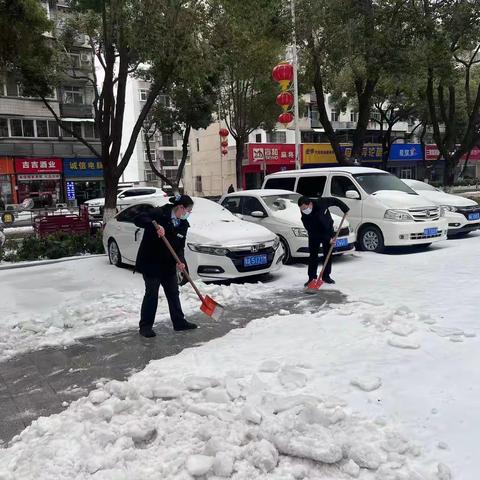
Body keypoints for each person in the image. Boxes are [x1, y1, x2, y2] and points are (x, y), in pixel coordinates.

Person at [134, 194, 197, 337]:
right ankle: (145, 327)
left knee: (173, 293)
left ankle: (179, 322)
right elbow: (138, 218)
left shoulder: (183, 224)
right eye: (188, 210)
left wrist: (181, 262)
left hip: (168, 264)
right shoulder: (159, 213)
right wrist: (154, 226)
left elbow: (179, 247)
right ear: (181, 207)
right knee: (152, 293)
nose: (188, 214)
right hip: (151, 262)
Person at [298, 195, 350, 287]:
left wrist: (345, 208)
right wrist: (327, 239)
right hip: (314, 233)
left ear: (310, 204)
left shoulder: (321, 202)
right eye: (302, 209)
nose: (304, 211)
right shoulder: (305, 217)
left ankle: (326, 276)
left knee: (328, 253)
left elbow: (334, 200)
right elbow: (314, 231)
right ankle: (312, 278)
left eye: (305, 208)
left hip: (327, 229)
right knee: (313, 255)